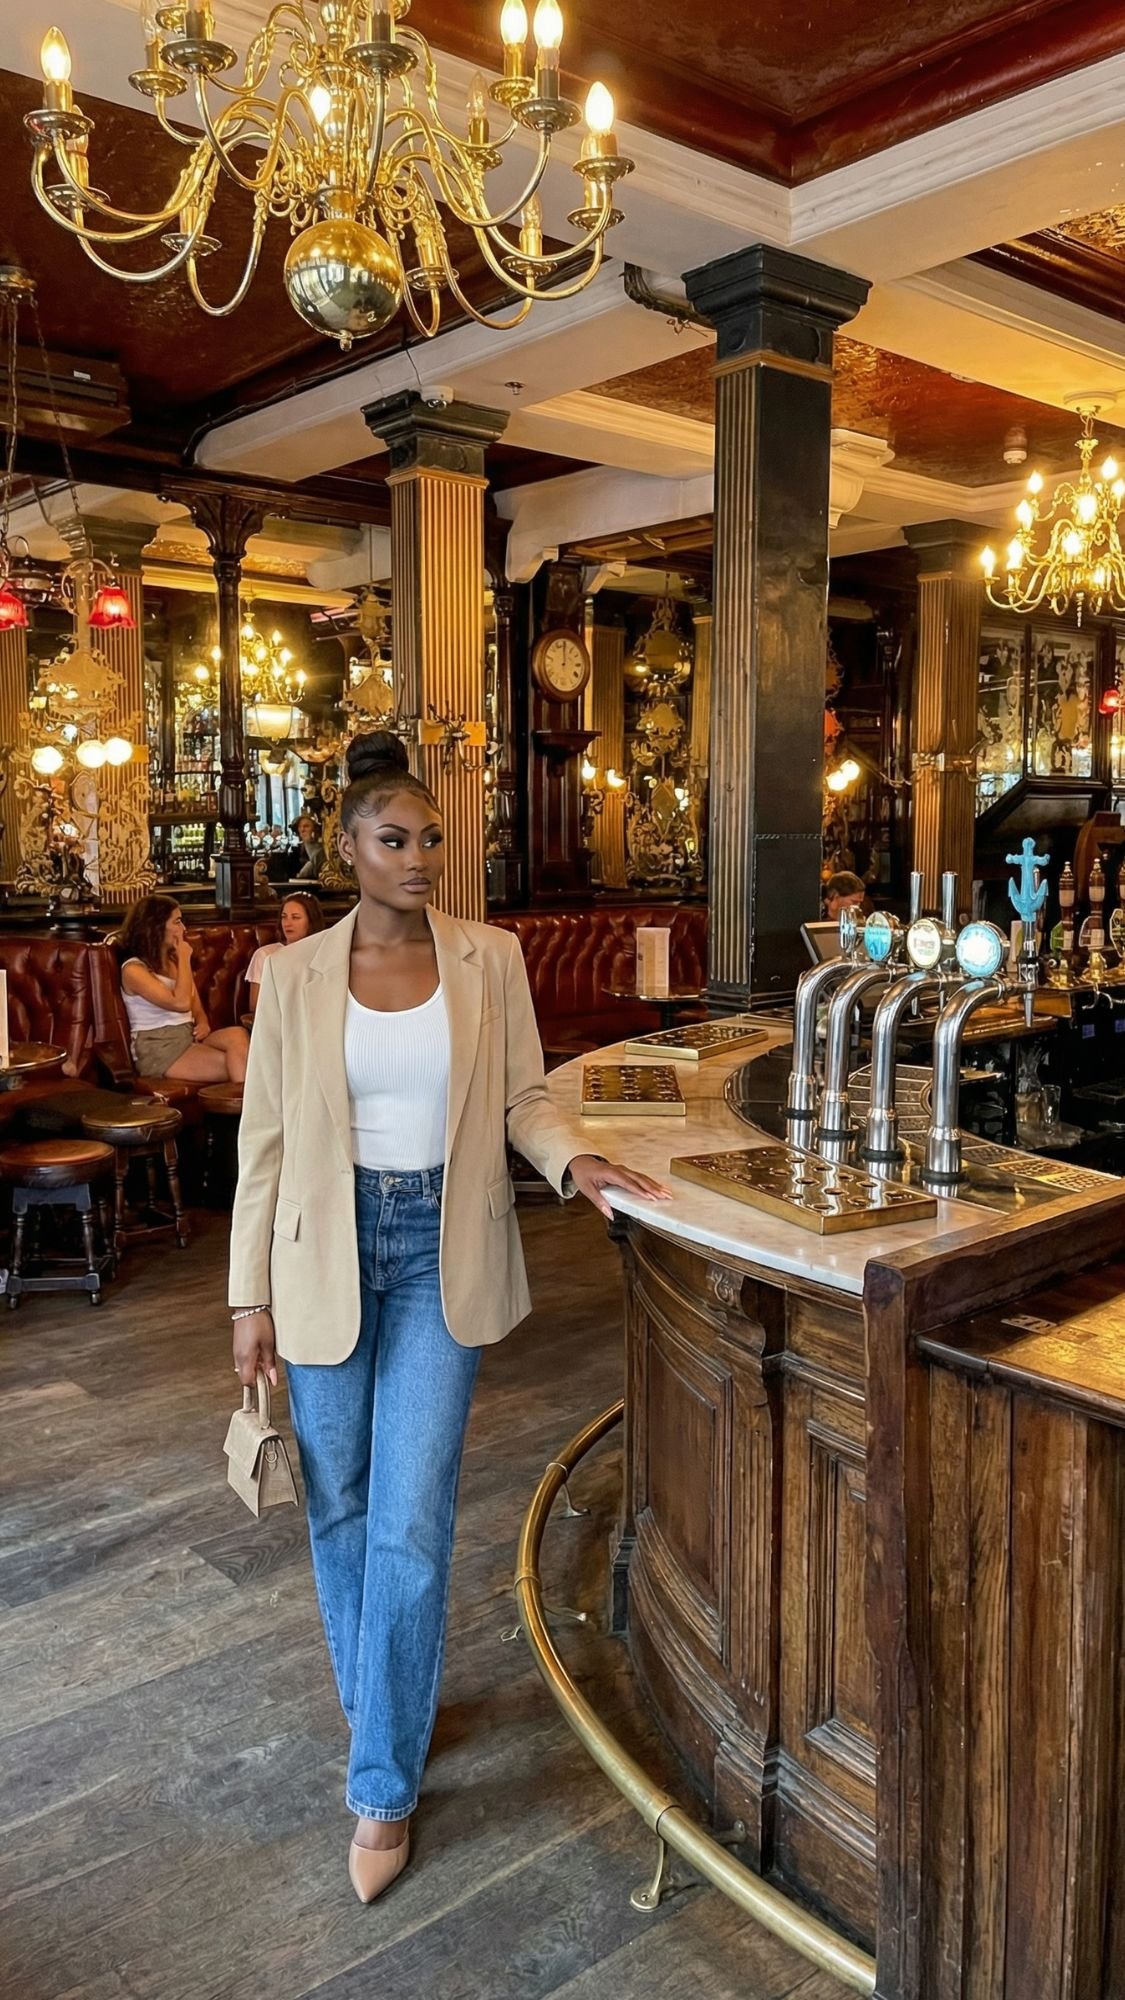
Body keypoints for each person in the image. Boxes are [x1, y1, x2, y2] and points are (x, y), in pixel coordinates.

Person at [228, 731, 669, 1905]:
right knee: (339, 1500)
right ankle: (382, 1696)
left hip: (441, 1248)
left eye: (431, 837)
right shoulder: (293, 975)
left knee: (412, 1514)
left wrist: (576, 1161)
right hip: (322, 1251)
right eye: (395, 838)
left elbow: (524, 1094)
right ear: (347, 848)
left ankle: (380, 1783)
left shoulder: (491, 957)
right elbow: (263, 1141)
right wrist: (245, 1295)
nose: (420, 855)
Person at [118, 896, 250, 1084]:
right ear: (156, 926)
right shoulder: (133, 970)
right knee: (241, 1064)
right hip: (159, 1047)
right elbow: (181, 1003)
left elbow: (194, 1004)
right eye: (177, 922)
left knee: (238, 1035)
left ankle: (245, 1101)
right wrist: (184, 958)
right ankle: (247, 1103)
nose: (184, 929)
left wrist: (203, 1021)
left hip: (187, 1036)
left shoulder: (172, 961)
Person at [244, 891, 325, 1017]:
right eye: (284, 917)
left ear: (311, 921)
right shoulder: (265, 955)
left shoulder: (324, 955)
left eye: (295, 917)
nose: (287, 923)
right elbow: (255, 1006)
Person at [292, 813, 325, 881]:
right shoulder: (297, 849)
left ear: (314, 829)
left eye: (306, 826)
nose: (302, 830)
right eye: (300, 827)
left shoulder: (322, 847)